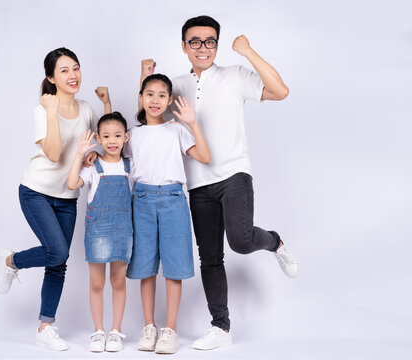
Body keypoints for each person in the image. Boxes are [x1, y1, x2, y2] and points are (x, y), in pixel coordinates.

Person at [140, 15, 299, 350]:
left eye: (210, 41)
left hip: (234, 174)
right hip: (197, 185)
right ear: (184, 46)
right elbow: (149, 117)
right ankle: (221, 327)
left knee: (240, 240)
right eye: (195, 41)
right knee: (210, 257)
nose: (203, 47)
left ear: (217, 45)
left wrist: (248, 52)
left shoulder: (235, 76)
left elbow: (281, 91)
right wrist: (144, 76)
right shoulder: (176, 85)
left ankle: (275, 242)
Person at [0, 47, 111, 351]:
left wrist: (92, 152)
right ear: (51, 77)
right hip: (35, 191)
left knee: (58, 263)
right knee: (56, 252)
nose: (72, 76)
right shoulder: (42, 110)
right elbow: (55, 153)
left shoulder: (86, 109)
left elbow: (100, 141)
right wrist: (50, 110)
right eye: (64, 70)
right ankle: (11, 260)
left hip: (67, 197)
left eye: (76, 68)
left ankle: (45, 327)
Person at [126, 74, 210, 354]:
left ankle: (170, 329)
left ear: (169, 101)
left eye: (162, 95)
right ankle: (149, 326)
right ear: (141, 97)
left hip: (173, 198)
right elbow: (111, 147)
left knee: (173, 267)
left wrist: (192, 122)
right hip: (143, 199)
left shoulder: (177, 130)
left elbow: (205, 156)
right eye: (149, 94)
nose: (155, 100)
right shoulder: (133, 134)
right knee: (145, 268)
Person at [66, 112, 133, 353]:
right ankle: (98, 331)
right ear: (98, 138)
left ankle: (116, 331)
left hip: (124, 229)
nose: (112, 140)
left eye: (117, 135)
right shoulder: (93, 166)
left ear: (126, 137)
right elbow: (72, 184)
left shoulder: (130, 166)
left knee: (118, 281)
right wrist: (80, 153)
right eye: (106, 136)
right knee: (97, 282)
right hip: (98, 230)